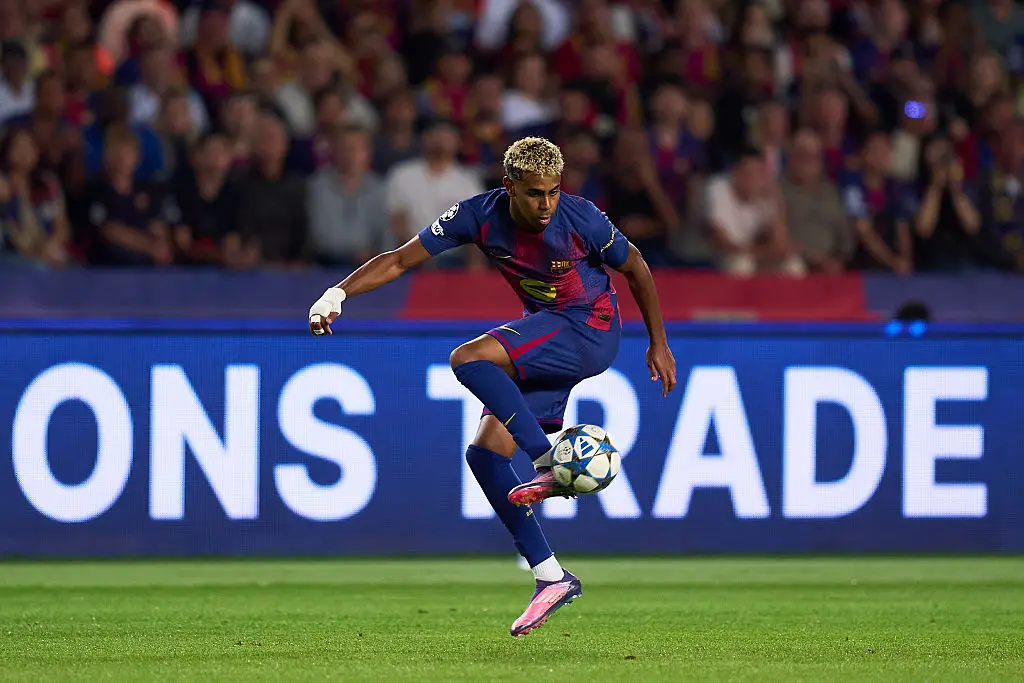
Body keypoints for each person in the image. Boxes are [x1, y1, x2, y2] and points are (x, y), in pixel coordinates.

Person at [307, 137, 676, 636]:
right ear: (509, 188)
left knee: (469, 358)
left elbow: (636, 267)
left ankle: (548, 462)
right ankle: (551, 577)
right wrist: (337, 293)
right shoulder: (477, 216)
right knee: (484, 455)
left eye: (552, 192)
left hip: (589, 328)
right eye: (533, 194)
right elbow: (399, 260)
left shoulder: (582, 218)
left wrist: (659, 342)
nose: (546, 204)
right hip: (551, 331)